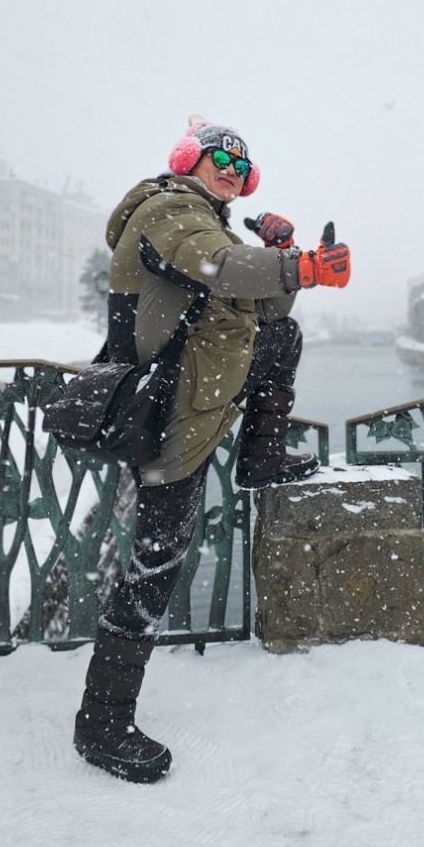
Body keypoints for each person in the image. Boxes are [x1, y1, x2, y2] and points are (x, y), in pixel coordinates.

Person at [74, 115, 351, 783]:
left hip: (203, 394)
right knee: (156, 558)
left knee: (283, 343)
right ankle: (102, 723)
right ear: (187, 160)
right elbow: (217, 267)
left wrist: (283, 267)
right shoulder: (168, 208)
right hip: (167, 408)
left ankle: (262, 454)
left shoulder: (210, 221)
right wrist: (299, 266)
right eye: (219, 156)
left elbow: (263, 317)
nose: (230, 168)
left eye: (241, 163)